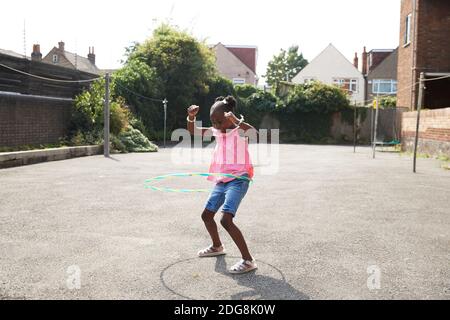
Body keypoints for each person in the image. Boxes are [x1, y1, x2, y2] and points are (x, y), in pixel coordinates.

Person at [187, 96, 258, 274]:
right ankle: (217, 246)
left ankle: (248, 260)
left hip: (239, 179)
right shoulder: (217, 130)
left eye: (219, 121)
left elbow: (254, 133)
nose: (216, 125)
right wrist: (191, 117)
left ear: (229, 117)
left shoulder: (239, 131)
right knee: (206, 215)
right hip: (222, 180)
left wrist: (237, 121)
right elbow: (194, 131)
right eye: (213, 121)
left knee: (226, 219)